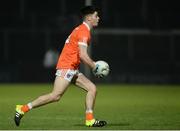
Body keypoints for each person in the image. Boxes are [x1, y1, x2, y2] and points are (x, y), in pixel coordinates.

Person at [14, 6, 107, 127]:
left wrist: (92, 65)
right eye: (96, 16)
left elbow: (80, 54)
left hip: (72, 67)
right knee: (55, 96)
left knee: (92, 89)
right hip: (66, 66)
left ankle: (90, 120)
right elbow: (83, 55)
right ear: (89, 18)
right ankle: (22, 109)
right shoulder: (84, 32)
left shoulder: (81, 29)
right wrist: (94, 66)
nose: (98, 18)